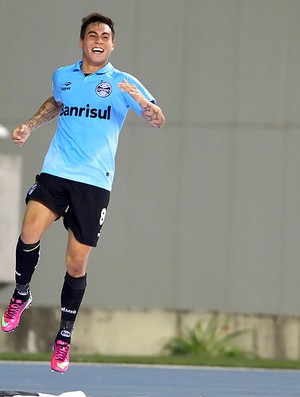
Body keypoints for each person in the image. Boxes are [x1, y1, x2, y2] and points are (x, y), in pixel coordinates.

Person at [1, 12, 165, 373]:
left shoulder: (122, 82)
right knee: (29, 231)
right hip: (57, 170)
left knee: (76, 263)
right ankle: (22, 292)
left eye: (106, 36)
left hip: (94, 182)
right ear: (82, 41)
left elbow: (158, 119)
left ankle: (63, 335)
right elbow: (56, 103)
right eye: (93, 34)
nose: (99, 40)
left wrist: (146, 103)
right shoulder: (64, 75)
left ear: (112, 44)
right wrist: (29, 125)